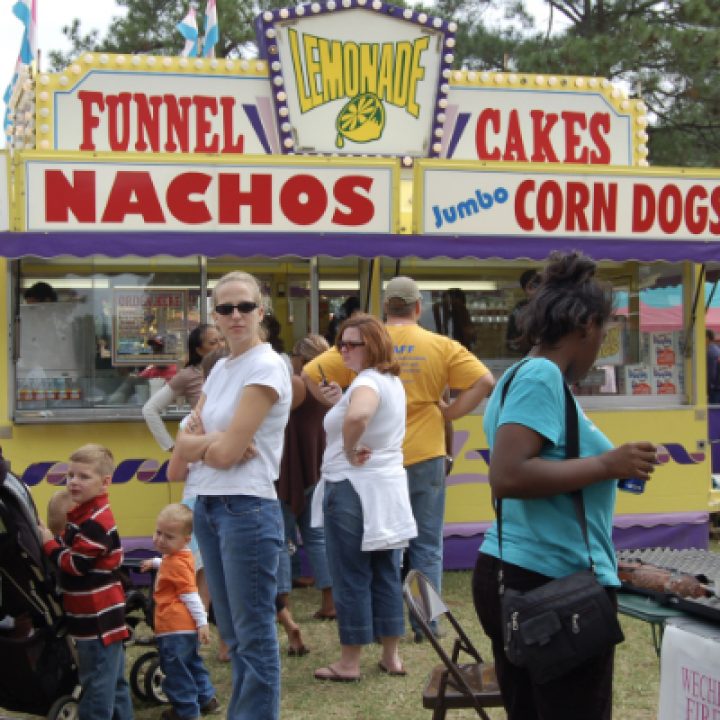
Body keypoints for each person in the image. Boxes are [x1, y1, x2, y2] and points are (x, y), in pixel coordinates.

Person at [472, 251, 658, 720]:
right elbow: (509, 474)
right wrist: (607, 465)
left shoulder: (525, 374)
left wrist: (610, 466)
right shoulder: (540, 376)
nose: (602, 344)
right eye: (605, 331)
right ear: (585, 326)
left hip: (528, 574)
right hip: (550, 586)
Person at [303, 276, 494, 641]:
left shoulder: (368, 342)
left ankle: (374, 627)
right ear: (418, 307)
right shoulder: (440, 345)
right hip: (425, 454)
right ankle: (426, 624)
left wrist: (333, 402)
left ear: (385, 306)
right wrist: (450, 414)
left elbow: (311, 372)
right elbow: (485, 382)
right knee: (425, 545)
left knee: (375, 547)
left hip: (372, 463)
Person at [170, 271, 291, 720]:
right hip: (209, 505)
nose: (235, 315)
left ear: (262, 311)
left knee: (252, 633)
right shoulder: (220, 368)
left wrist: (210, 443)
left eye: (245, 306)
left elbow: (221, 452)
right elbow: (184, 450)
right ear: (214, 316)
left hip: (247, 507)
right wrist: (212, 444)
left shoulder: (267, 364)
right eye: (225, 308)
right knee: (235, 636)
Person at [312, 314, 417, 682]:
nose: (343, 349)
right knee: (385, 571)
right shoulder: (388, 381)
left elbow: (359, 416)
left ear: (372, 345)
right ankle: (392, 655)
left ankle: (350, 661)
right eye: (341, 342)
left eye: (352, 343)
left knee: (350, 573)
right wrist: (341, 403)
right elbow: (359, 412)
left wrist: (351, 446)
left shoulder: (369, 382)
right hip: (385, 489)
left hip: (353, 488)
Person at [39, 444, 133, 720]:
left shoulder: (96, 522)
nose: (73, 482)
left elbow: (75, 564)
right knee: (113, 683)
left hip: (98, 622)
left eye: (83, 477)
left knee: (97, 687)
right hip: (100, 619)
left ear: (105, 482)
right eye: (70, 475)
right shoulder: (82, 515)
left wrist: (48, 545)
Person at [140, 503, 219, 720]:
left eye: (169, 536)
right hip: (184, 628)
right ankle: (206, 698)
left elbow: (191, 594)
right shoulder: (178, 556)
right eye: (158, 533)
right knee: (192, 663)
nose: (160, 540)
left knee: (176, 671)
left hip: (174, 627)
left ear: (186, 540)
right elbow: (169, 565)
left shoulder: (175, 563)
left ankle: (186, 711)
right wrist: (155, 562)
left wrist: (203, 622)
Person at [276, 334, 336, 621]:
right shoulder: (328, 386)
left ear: (300, 357)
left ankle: (283, 603)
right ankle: (330, 600)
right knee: (317, 537)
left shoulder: (298, 383)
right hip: (317, 465)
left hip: (289, 468)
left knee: (282, 537)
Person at [142, 323, 222, 452]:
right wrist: (171, 446)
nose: (221, 346)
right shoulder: (188, 375)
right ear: (199, 350)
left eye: (222, 340)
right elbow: (149, 409)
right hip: (204, 450)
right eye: (213, 343)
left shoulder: (232, 369)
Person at [506, 268, 540, 354]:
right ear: (526, 289)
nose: (539, 289)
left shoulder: (552, 307)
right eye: (534, 286)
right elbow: (510, 343)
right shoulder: (520, 309)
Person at [707, 329, 720, 404]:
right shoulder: (717, 350)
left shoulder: (711, 351)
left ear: (707, 338)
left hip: (715, 389)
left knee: (714, 413)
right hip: (717, 387)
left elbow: (712, 373)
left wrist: (708, 388)